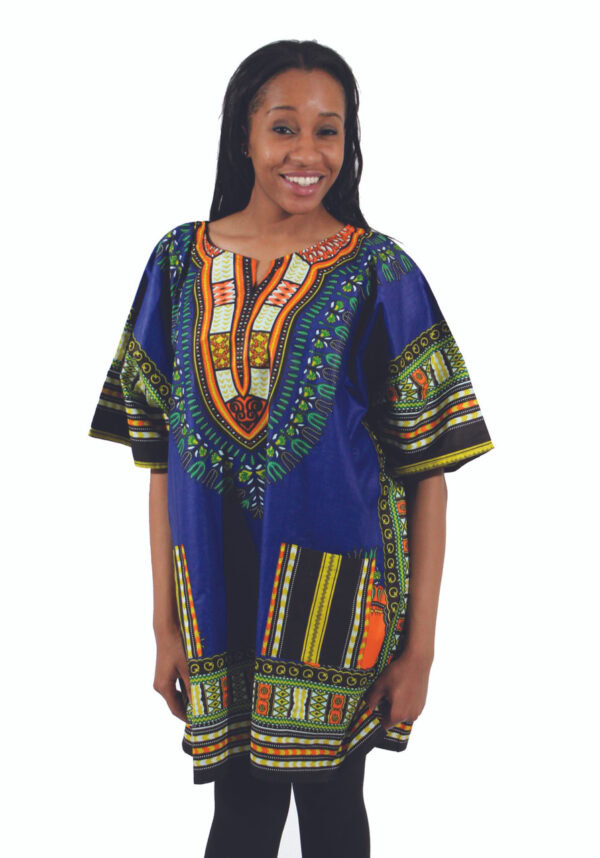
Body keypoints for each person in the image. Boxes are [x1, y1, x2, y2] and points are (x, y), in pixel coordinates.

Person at [88, 39, 494, 858]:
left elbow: (429, 472)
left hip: (341, 601)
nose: (307, 153)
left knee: (334, 818)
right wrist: (165, 625)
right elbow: (160, 459)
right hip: (219, 596)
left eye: (328, 131)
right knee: (240, 819)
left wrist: (421, 651)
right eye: (283, 128)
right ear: (243, 136)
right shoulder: (178, 264)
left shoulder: (379, 271)